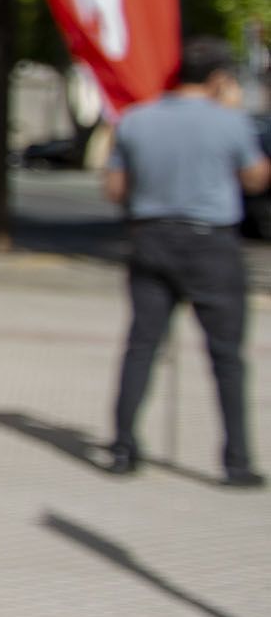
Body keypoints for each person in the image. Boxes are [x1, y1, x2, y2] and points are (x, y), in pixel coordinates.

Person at [104, 35, 268, 485]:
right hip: (210, 244)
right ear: (219, 79)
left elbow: (115, 189)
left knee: (142, 347)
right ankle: (236, 462)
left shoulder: (136, 120)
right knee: (226, 357)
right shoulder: (230, 123)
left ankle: (122, 447)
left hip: (149, 238)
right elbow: (256, 178)